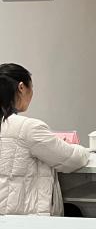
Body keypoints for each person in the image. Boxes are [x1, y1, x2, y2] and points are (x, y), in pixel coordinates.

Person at [0, 63, 90, 216]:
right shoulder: (28, 128)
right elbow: (73, 159)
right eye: (31, 87)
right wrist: (81, 149)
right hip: (27, 219)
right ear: (21, 87)